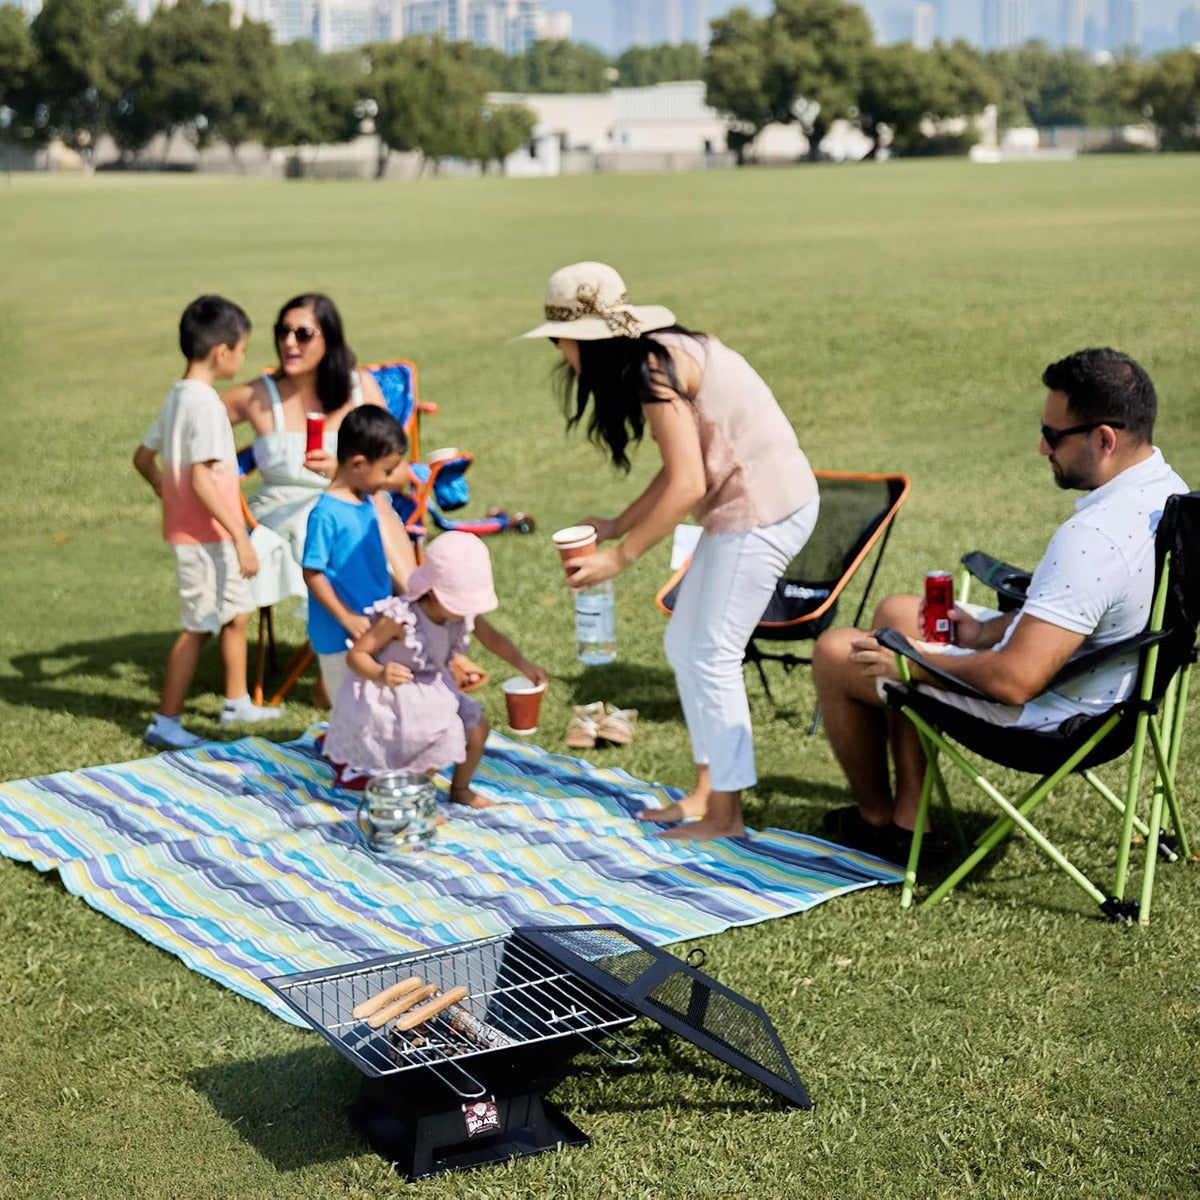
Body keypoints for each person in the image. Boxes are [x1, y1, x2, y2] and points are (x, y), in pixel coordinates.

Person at [812, 347, 1189, 865]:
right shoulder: (1167, 493)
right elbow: (1096, 617)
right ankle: (909, 818)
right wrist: (988, 633)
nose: (1041, 447)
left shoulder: (1095, 537)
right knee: (902, 612)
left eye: (1054, 436)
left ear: (1104, 439)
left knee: (837, 653)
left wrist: (911, 662)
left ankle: (876, 822)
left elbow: (1015, 683)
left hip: (1053, 719)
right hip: (1106, 685)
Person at [520, 261, 821, 841]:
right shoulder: (658, 355)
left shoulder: (651, 371)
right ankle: (707, 793)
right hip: (749, 506)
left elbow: (688, 486)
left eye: (560, 342)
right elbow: (681, 473)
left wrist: (620, 556)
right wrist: (614, 524)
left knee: (711, 653)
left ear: (579, 338)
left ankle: (727, 817)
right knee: (686, 643)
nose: (560, 355)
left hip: (764, 510)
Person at [222, 292, 485, 700]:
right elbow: (191, 424)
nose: (290, 343)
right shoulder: (259, 395)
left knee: (368, 505)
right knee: (355, 510)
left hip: (356, 499)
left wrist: (341, 472)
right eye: (283, 332)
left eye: (303, 333)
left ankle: (410, 634)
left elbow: (395, 469)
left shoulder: (359, 388)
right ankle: (421, 631)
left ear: (330, 339)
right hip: (280, 512)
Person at [133, 295, 283, 751]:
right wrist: (240, 537)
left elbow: (143, 459)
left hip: (207, 530)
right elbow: (202, 477)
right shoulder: (207, 406)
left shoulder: (179, 396)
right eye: (242, 349)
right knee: (199, 625)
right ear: (222, 352)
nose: (242, 357)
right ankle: (166, 721)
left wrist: (164, 487)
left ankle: (236, 701)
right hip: (207, 537)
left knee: (234, 612)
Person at [323, 531, 548, 807]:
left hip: (434, 690)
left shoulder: (460, 614)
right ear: (433, 592)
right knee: (445, 733)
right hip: (395, 696)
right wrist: (380, 673)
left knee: (477, 729)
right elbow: (357, 655)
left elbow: (493, 639)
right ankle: (412, 800)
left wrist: (524, 665)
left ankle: (461, 789)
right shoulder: (401, 619)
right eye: (459, 602)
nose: (465, 611)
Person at [302, 406, 410, 704]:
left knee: (377, 707)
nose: (389, 479)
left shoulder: (366, 505)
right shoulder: (326, 514)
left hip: (373, 628)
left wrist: (403, 593)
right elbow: (312, 572)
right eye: (386, 471)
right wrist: (346, 617)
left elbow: (373, 562)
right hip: (340, 635)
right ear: (359, 464)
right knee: (349, 709)